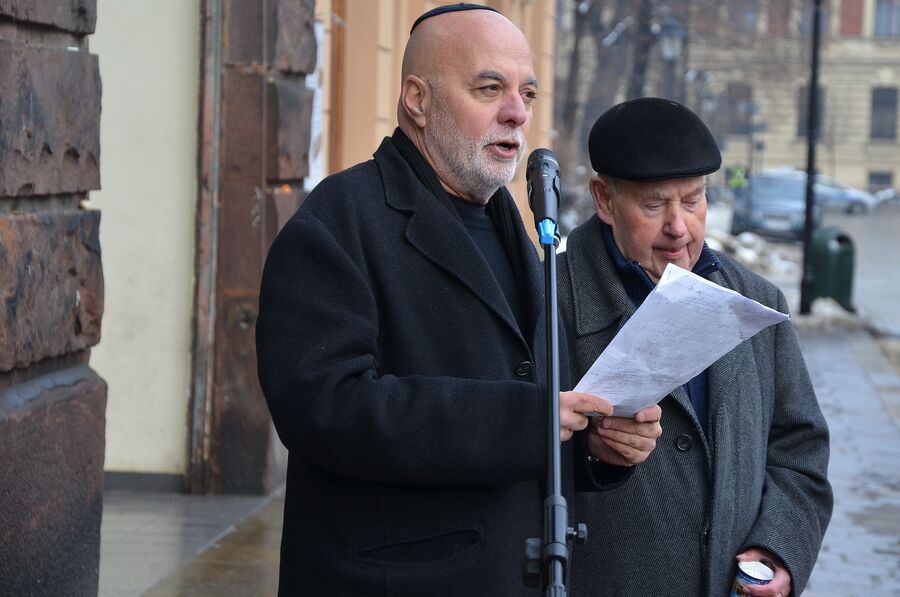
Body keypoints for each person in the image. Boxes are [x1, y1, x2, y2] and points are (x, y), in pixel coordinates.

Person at [256, 6, 661, 595]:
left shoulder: (517, 226)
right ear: (417, 100)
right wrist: (526, 422)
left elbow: (538, 394)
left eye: (527, 92)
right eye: (488, 88)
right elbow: (325, 408)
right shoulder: (339, 220)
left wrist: (598, 445)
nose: (517, 112)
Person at [558, 97, 833, 597]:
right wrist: (589, 454)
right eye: (654, 204)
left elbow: (799, 449)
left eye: (692, 200)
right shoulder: (548, 303)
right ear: (603, 199)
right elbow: (508, 460)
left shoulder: (756, 301)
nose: (678, 227)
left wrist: (777, 549)